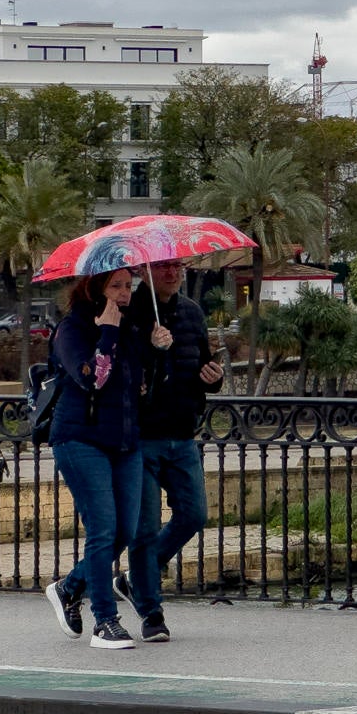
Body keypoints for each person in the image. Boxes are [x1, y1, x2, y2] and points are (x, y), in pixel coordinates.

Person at [43, 268, 171, 649]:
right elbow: (90, 379)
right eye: (115, 286)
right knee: (102, 529)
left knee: (125, 532)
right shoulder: (73, 328)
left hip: (124, 442)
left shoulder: (132, 327)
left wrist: (157, 352)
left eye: (129, 286)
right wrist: (108, 331)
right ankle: (105, 621)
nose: (124, 293)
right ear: (94, 287)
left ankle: (70, 587)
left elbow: (142, 390)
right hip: (80, 439)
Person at [118, 260, 223, 643]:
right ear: (145, 272)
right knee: (143, 529)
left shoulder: (192, 312)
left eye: (176, 266)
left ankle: (137, 577)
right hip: (143, 436)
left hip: (183, 433)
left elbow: (201, 364)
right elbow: (127, 372)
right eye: (163, 267)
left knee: (194, 515)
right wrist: (151, 348)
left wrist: (214, 378)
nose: (172, 273)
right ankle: (151, 612)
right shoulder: (132, 312)